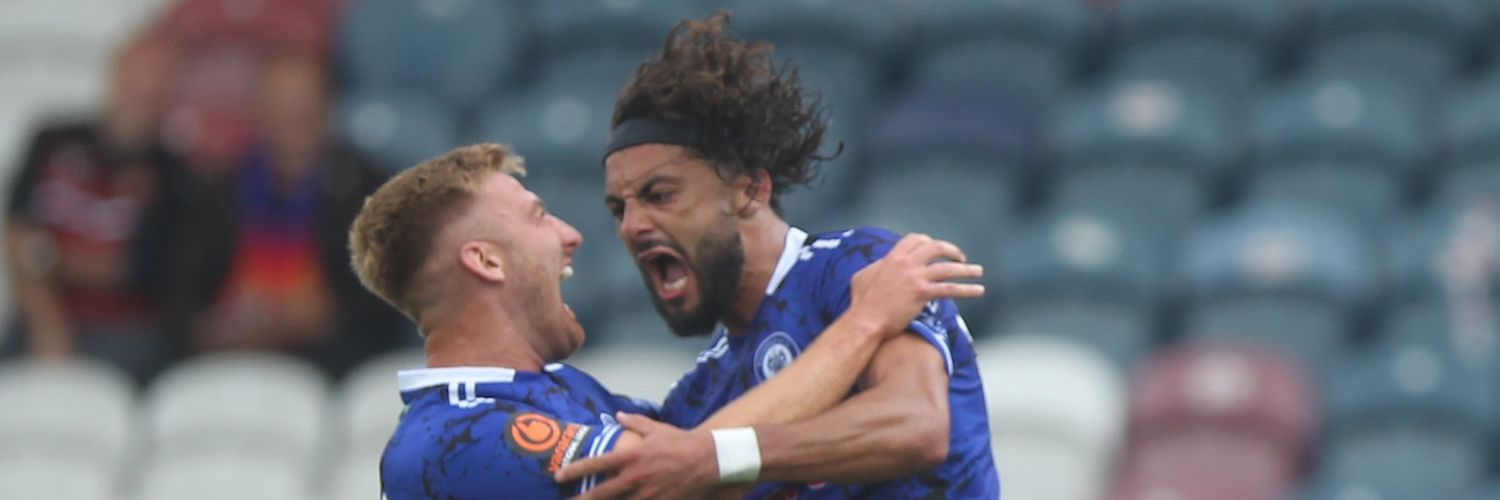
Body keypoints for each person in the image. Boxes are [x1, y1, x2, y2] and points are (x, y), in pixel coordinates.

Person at [349, 143, 983, 498]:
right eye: (539, 216)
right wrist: (864, 323)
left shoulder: (566, 393)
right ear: (484, 260)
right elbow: (684, 477)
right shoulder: (456, 441)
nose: (573, 236)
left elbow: (704, 449)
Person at [556, 12, 1001, 499]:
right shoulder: (700, 395)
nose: (632, 225)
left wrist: (718, 456)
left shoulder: (862, 269)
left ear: (751, 189)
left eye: (659, 195)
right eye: (619, 208)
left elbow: (915, 426)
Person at [166, 52, 404, 377]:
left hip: (329, 358)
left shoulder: (371, 190)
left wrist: (325, 316)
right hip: (228, 351)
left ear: (325, 107)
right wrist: (209, 327)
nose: (292, 116)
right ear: (258, 110)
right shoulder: (220, 188)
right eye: (279, 103)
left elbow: (390, 297)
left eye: (303, 103)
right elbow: (183, 284)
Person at [2, 33, 191, 382]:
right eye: (139, 73)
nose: (146, 89)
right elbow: (15, 235)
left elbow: (133, 270)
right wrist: (48, 320)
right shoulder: (52, 138)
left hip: (126, 334)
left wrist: (47, 257)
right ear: (115, 73)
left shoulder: (176, 173)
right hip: (40, 315)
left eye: (159, 78)